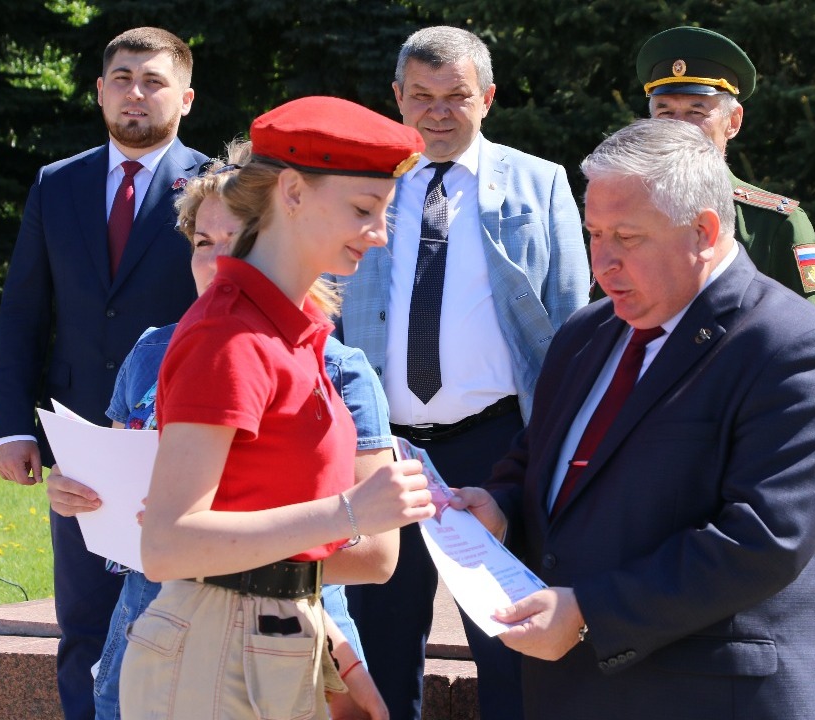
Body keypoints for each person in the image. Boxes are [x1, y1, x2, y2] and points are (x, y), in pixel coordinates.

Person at [451, 119, 815, 718]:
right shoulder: (586, 333)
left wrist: (591, 613)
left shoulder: (796, 348)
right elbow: (543, 457)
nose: (602, 263)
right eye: (594, 234)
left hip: (713, 698)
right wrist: (501, 507)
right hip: (572, 694)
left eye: (627, 237)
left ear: (703, 232)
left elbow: (763, 540)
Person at [44, 143, 391, 720]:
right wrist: (81, 489)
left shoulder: (338, 367)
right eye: (202, 242)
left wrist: (199, 543)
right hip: (154, 620)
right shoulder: (153, 349)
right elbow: (136, 489)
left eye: (233, 240)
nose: (214, 260)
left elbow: (373, 553)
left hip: (287, 627)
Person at [119, 96, 433, 719]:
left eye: (384, 212)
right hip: (216, 655)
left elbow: (267, 536)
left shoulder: (288, 329)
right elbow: (169, 544)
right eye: (363, 209)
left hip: (268, 641)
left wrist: (338, 657)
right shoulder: (230, 335)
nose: (379, 233)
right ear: (291, 192)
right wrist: (351, 511)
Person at [333, 25, 591, 720]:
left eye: (456, 96)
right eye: (422, 96)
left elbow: (573, 321)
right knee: (379, 643)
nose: (438, 113)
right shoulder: (361, 185)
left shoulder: (541, 182)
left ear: (489, 98)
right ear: (397, 97)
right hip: (381, 449)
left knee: (509, 639)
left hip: (498, 446)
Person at [0, 27, 206, 720]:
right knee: (84, 623)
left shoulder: (219, 189)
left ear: (186, 98)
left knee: (178, 618)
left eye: (154, 81)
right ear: (100, 91)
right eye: (122, 78)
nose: (136, 93)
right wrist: (11, 429)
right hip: (82, 442)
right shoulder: (58, 184)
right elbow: (24, 311)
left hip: (187, 438)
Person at [636, 26, 815, 313]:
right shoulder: (628, 214)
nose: (679, 127)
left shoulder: (774, 226)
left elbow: (814, 333)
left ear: (734, 122)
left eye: (696, 112)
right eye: (665, 112)